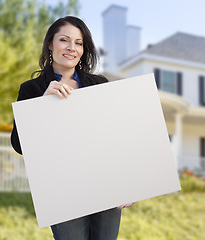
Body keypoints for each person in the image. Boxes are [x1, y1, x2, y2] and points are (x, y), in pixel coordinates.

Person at [10, 16, 133, 240]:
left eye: (78, 42)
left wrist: (125, 184)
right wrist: (42, 105)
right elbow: (19, 144)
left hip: (105, 182)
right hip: (62, 191)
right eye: (64, 40)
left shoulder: (98, 85)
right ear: (50, 44)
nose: (71, 48)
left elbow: (114, 138)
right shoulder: (32, 89)